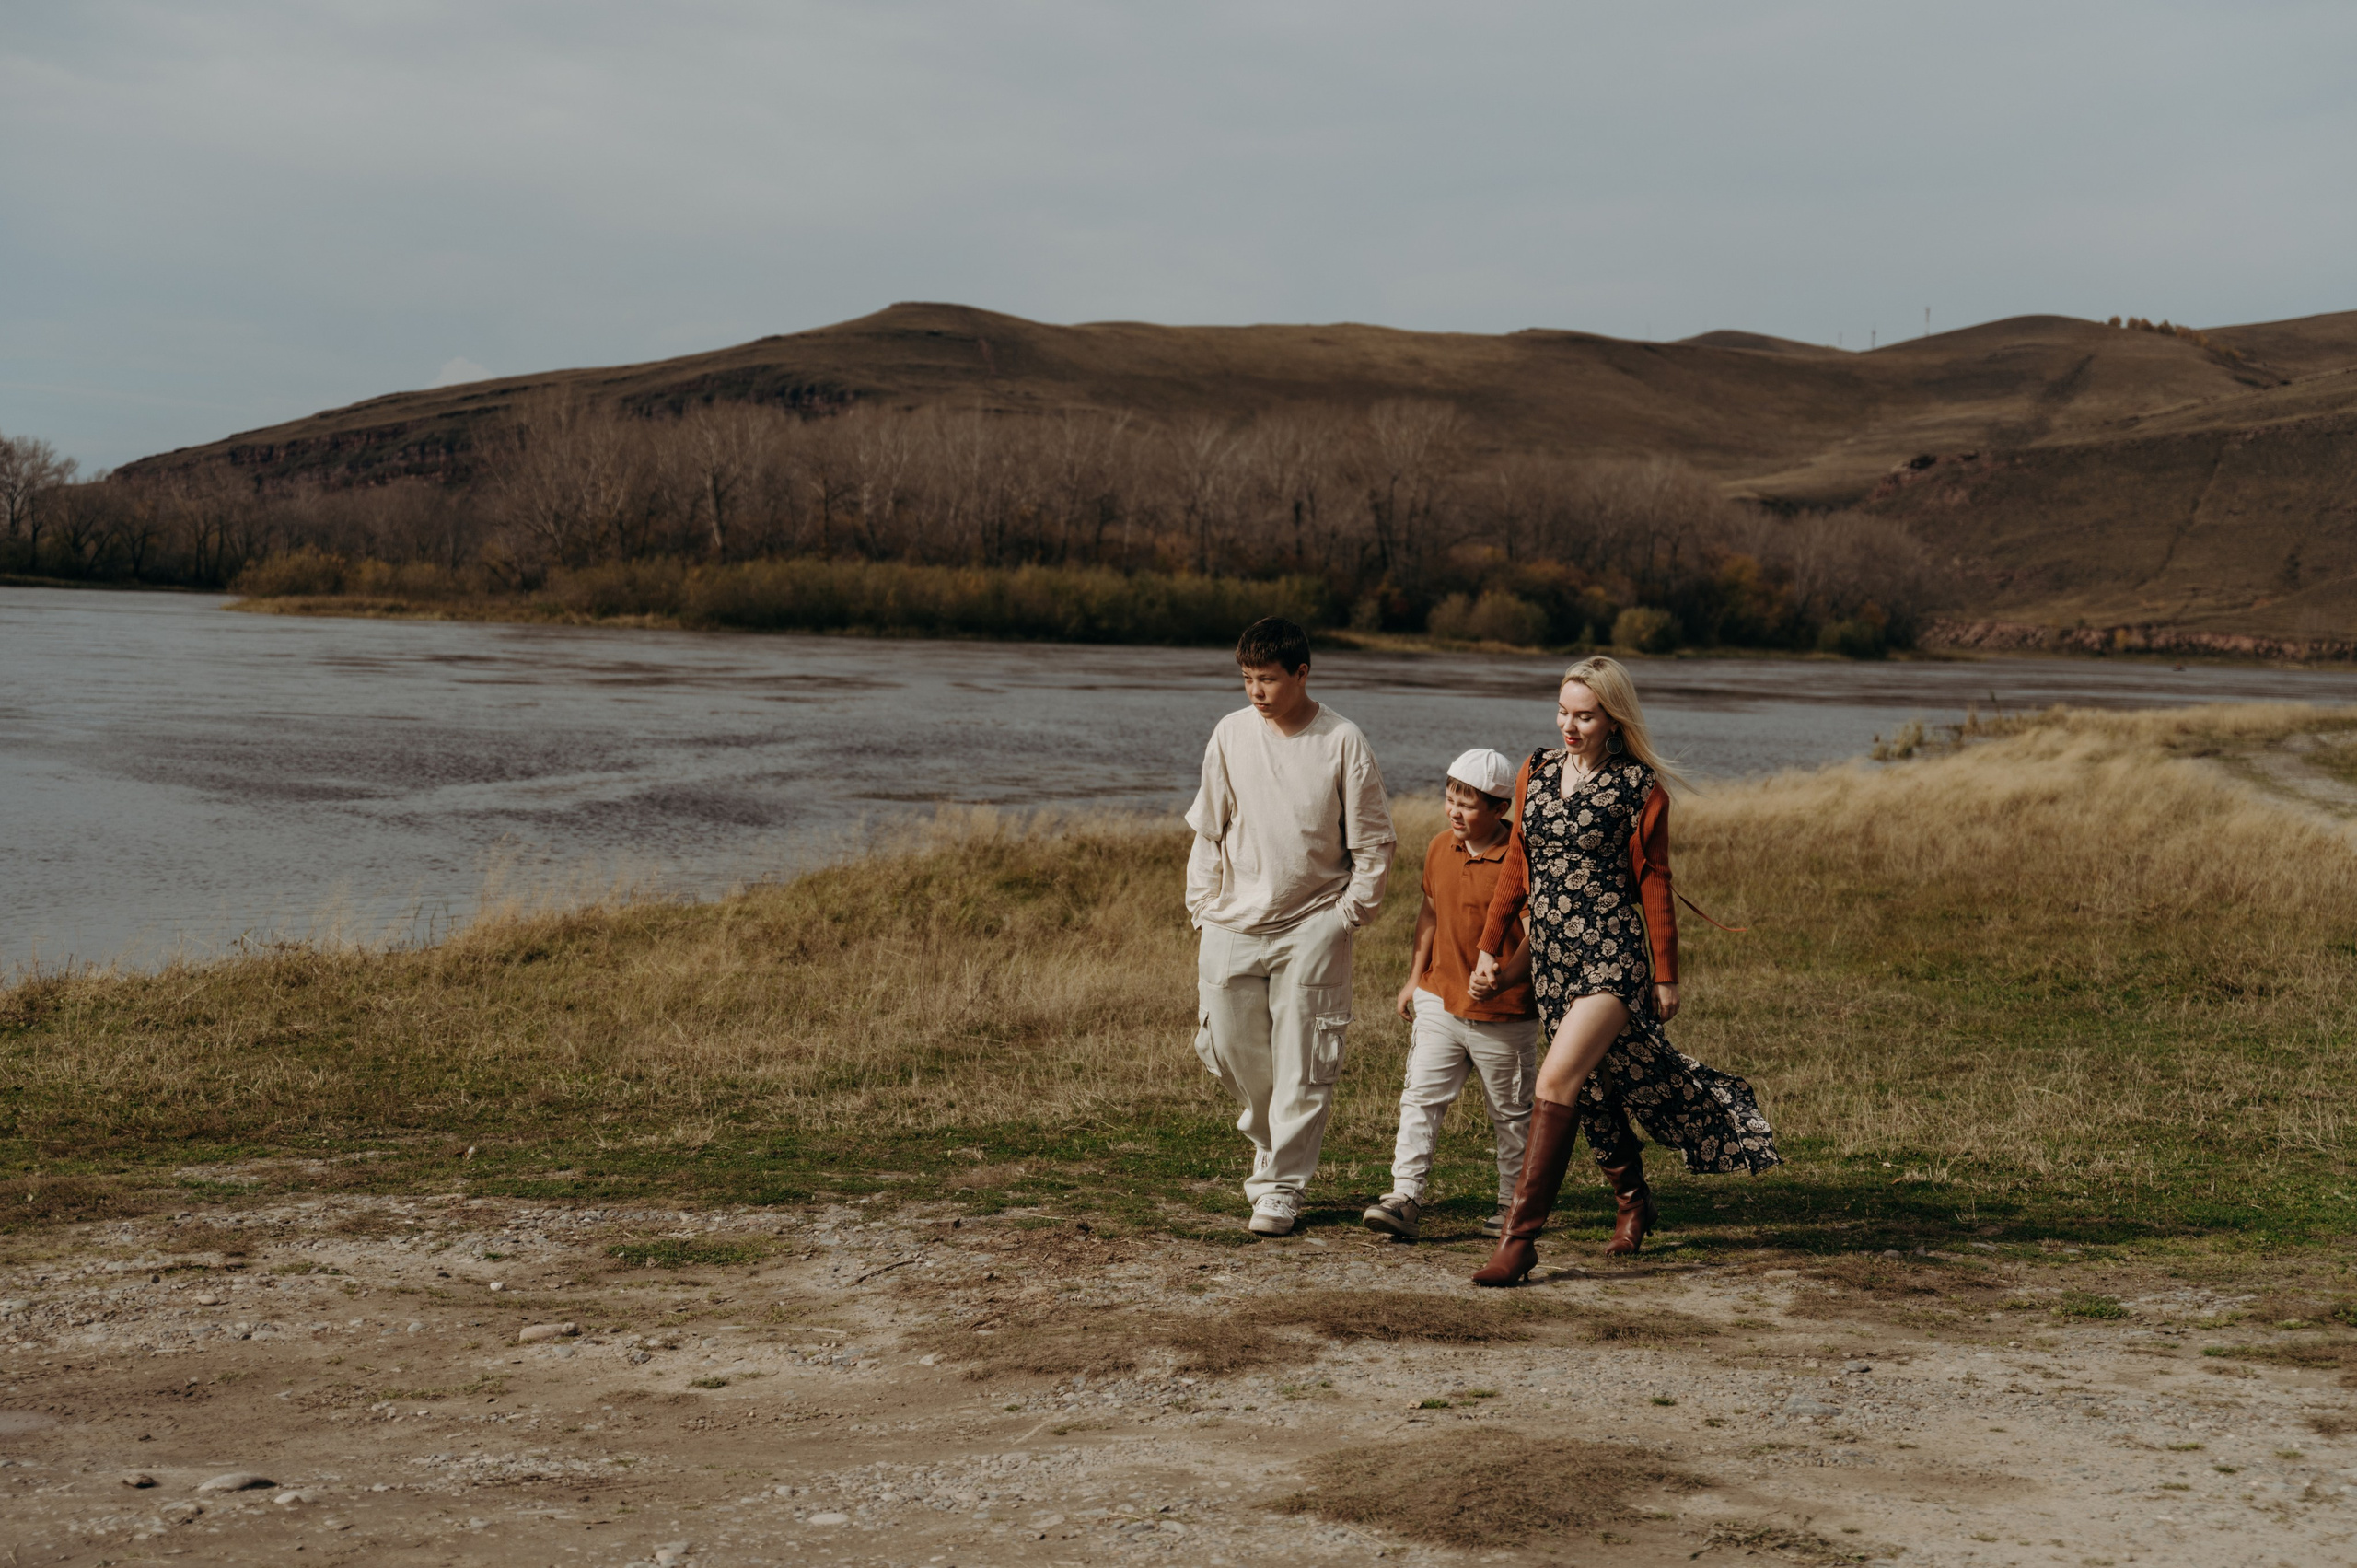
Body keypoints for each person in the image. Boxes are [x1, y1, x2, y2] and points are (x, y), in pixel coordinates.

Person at [1467, 656, 1778, 1286]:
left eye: (1585, 715)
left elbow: (1655, 882)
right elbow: (1517, 869)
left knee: (1555, 1080)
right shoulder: (1535, 770)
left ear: (1613, 718)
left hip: (1611, 955)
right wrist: (1488, 948)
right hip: (1553, 961)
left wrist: (1666, 975)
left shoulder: (1639, 787)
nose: (1569, 725)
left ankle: (1518, 1243)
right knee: (1592, 1091)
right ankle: (1634, 1200)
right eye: (1563, 711)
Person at [1186, 617, 1397, 1237]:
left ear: (1302, 673)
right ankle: (1269, 1142)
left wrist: (1345, 918)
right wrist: (1202, 906)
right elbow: (1209, 829)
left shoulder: (1342, 741)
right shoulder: (1230, 733)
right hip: (1233, 920)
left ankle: (1280, 1188)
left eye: (1269, 679)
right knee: (1229, 1048)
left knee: (1304, 1063)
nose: (1256, 691)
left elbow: (1374, 844)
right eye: (1248, 678)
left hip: (1314, 922)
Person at [1361, 749, 1541, 1243]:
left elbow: (1537, 936)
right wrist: (1414, 979)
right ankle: (1404, 1198)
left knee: (1510, 1113)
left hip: (1504, 1013)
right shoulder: (1441, 846)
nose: (1454, 812)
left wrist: (1504, 979)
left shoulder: (1522, 859)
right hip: (1438, 998)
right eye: (1450, 799)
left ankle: (1513, 1205)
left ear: (1500, 808)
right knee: (1420, 1098)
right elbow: (1430, 913)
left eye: (1468, 804)